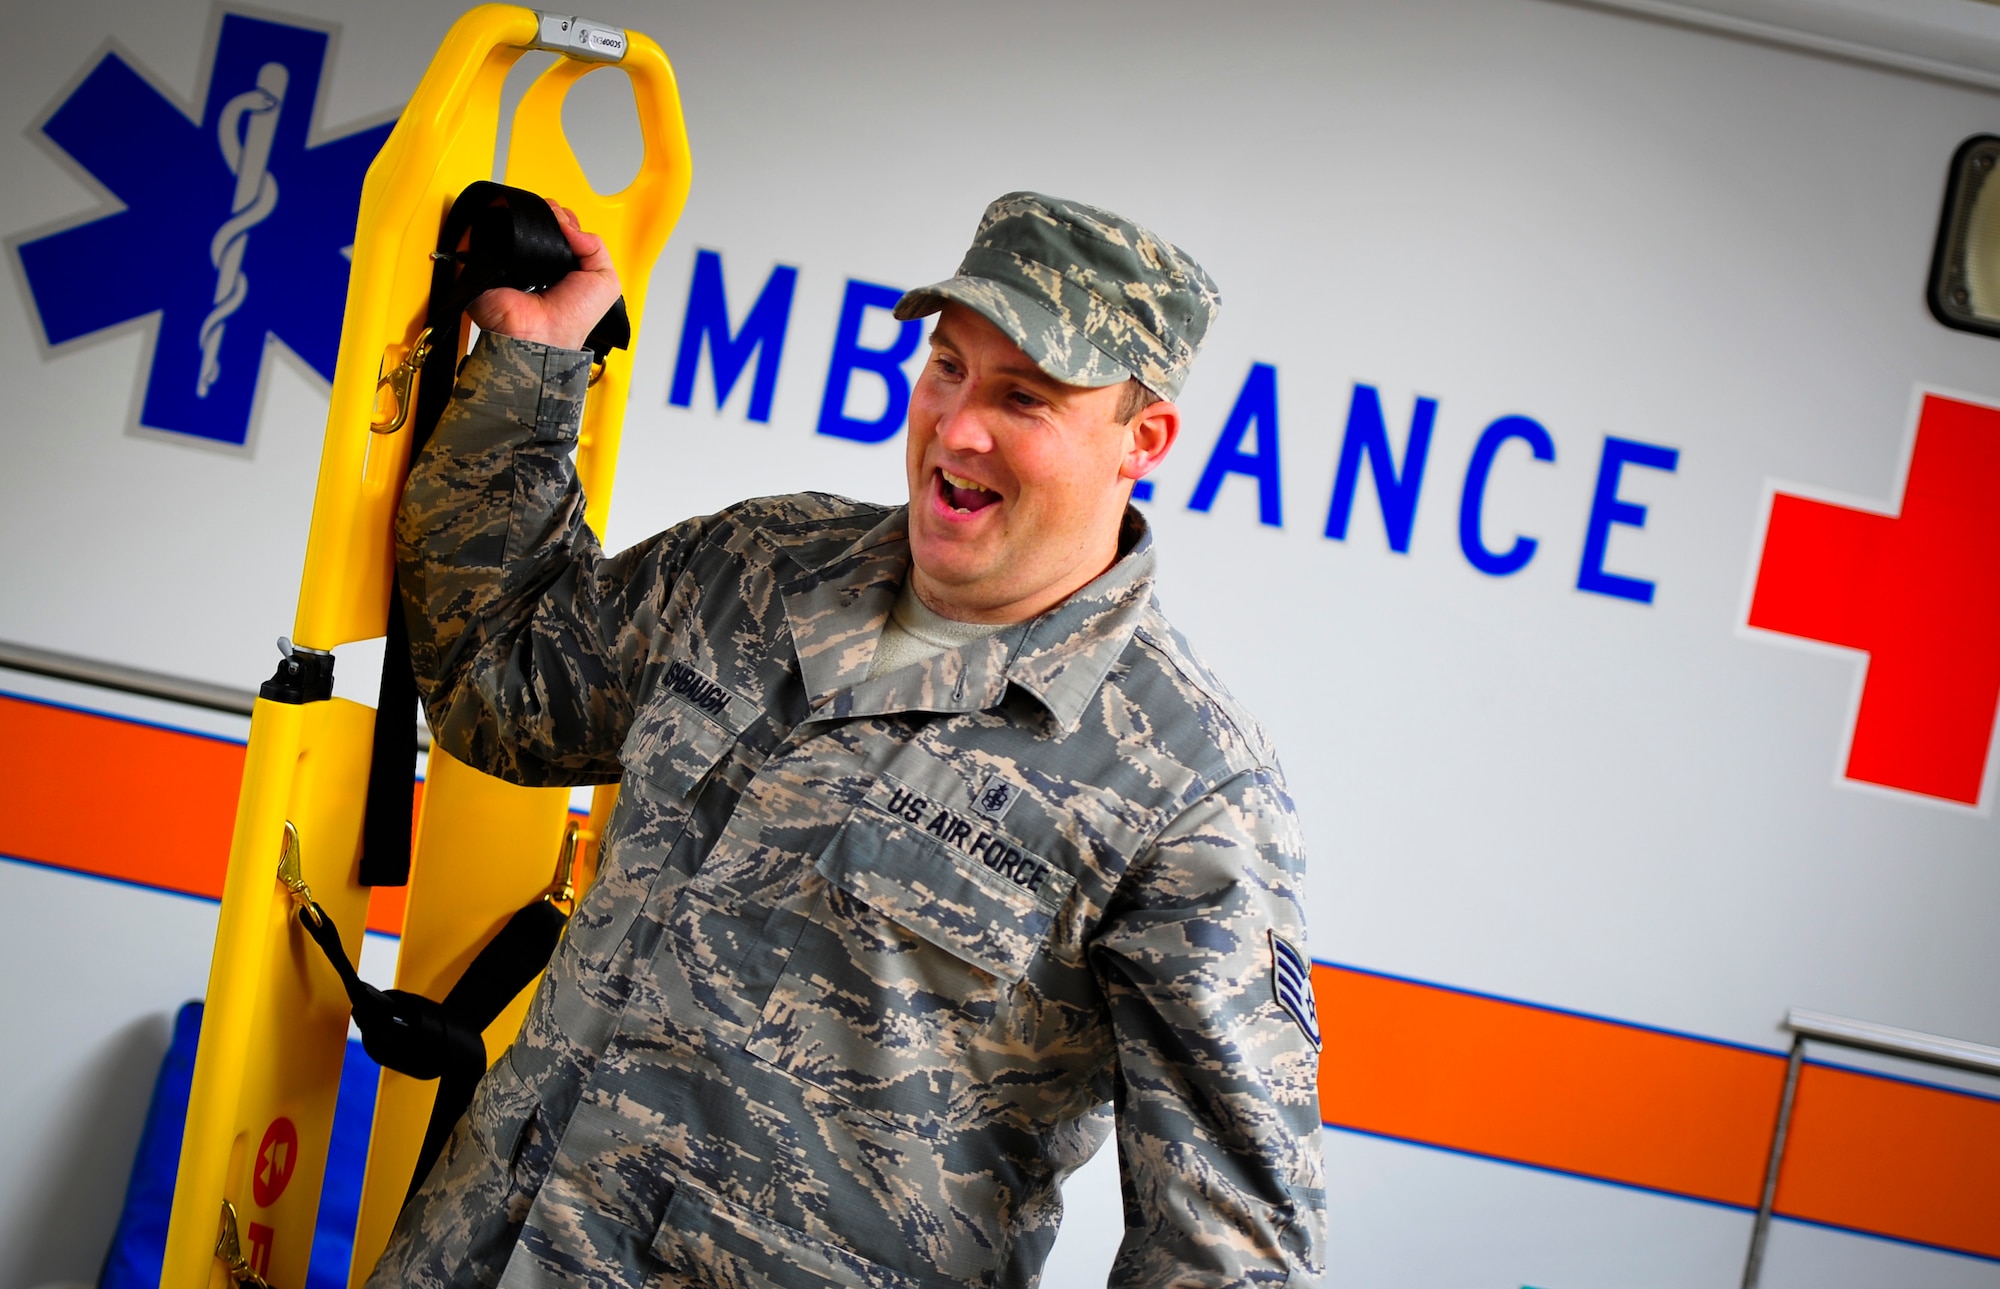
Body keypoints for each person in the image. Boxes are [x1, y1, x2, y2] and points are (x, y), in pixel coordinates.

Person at [371, 192, 1327, 1289]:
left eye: (1024, 397)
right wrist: (533, 374)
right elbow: (504, 686)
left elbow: (1229, 1248)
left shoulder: (1188, 788)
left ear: (1140, 441)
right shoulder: (759, 563)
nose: (956, 426)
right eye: (948, 367)